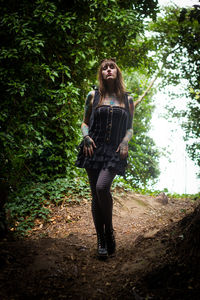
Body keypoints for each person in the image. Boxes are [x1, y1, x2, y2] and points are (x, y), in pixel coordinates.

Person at [75, 58, 134, 259]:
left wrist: (125, 142)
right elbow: (84, 123)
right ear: (101, 74)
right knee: (95, 195)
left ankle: (109, 231)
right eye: (104, 68)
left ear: (117, 72)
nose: (108, 70)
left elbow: (130, 128)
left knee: (102, 188)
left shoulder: (127, 100)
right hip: (93, 149)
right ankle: (101, 240)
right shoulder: (93, 96)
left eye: (112, 67)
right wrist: (86, 138)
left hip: (114, 151)